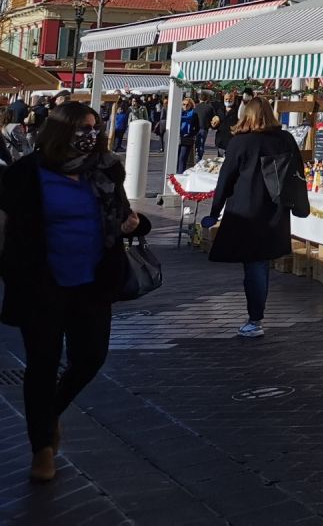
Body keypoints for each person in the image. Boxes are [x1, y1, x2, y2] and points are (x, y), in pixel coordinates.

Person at [0, 102, 150, 483]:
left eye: (94, 127)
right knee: (42, 365)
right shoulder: (26, 174)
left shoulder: (105, 169)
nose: (91, 134)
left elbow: (123, 217)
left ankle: (49, 417)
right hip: (41, 284)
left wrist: (136, 224)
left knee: (90, 357)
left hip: (94, 283)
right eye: (83, 127)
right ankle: (42, 449)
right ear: (60, 131)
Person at [203, 97, 305, 339]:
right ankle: (255, 318)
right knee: (260, 262)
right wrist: (301, 206)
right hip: (275, 210)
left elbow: (225, 179)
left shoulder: (242, 142)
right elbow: (298, 173)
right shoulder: (285, 139)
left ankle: (255, 318)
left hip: (247, 210)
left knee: (255, 264)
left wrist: (214, 211)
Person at [176, 97, 200, 171]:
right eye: (183, 104)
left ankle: (180, 174)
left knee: (182, 158)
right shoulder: (178, 114)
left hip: (187, 138)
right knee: (176, 157)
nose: (185, 106)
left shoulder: (194, 114)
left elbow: (197, 127)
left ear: (191, 105)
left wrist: (191, 134)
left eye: (187, 105)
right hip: (178, 137)